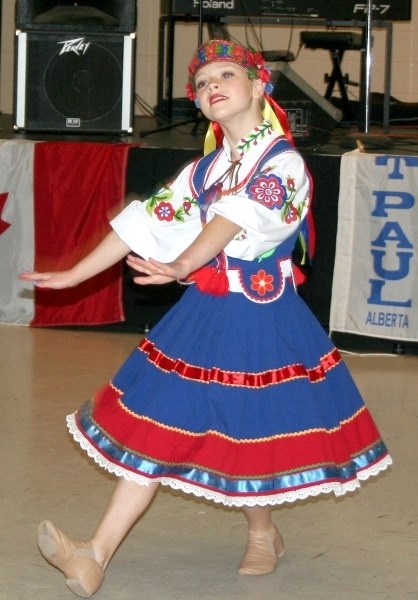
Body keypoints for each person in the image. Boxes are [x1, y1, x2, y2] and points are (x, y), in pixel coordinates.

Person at [19, 39, 392, 599]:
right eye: (200, 84)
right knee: (158, 421)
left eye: (225, 75)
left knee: (253, 429)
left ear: (260, 86)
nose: (210, 87)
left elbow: (233, 222)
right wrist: (74, 275)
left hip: (264, 319)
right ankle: (94, 555)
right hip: (206, 313)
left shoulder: (283, 162)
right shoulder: (208, 167)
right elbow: (142, 221)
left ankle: (264, 532)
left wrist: (182, 263)